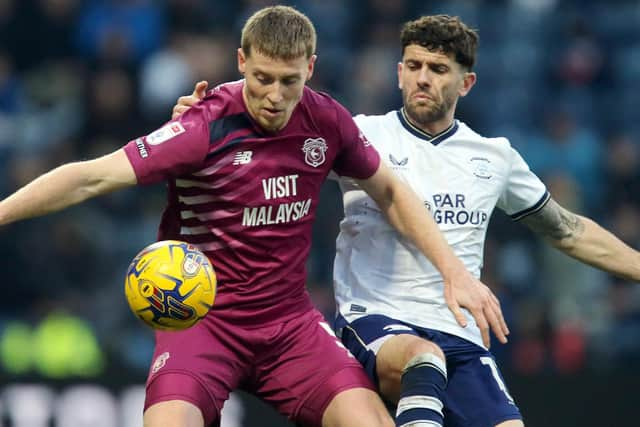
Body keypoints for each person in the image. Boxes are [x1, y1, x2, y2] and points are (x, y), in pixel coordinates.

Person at [0, 7, 509, 427]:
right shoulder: (204, 125)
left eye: (289, 81)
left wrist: (455, 272)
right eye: (262, 78)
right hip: (200, 321)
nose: (273, 95)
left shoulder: (326, 120)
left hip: (288, 324)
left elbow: (393, 193)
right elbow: (90, 176)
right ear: (241, 61)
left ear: (310, 67)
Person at [174, 14, 640, 427]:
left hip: (460, 337)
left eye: (438, 70)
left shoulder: (494, 156)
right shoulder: (359, 134)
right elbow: (268, 135)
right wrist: (198, 122)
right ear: (398, 73)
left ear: (467, 83)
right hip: (377, 324)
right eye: (413, 66)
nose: (422, 78)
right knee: (424, 359)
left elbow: (567, 229)